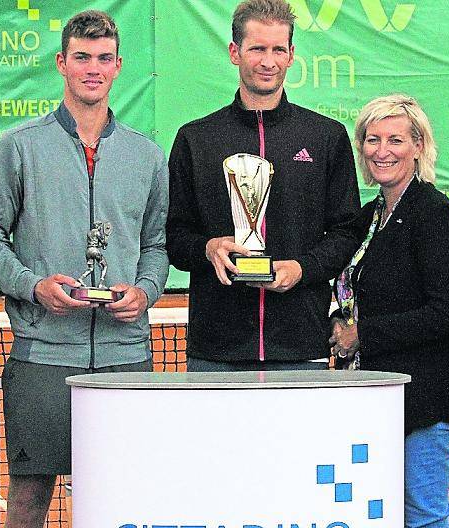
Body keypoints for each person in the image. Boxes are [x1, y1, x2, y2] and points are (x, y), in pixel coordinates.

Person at [0, 10, 169, 527]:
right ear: (62, 63)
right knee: (28, 498)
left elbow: (157, 246)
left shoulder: (148, 157)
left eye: (104, 58)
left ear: (118, 66)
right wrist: (32, 286)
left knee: (123, 498)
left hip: (124, 354)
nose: (93, 68)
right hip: (42, 356)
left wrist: (148, 290)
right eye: (82, 57)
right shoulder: (18, 148)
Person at [166, 0, 360, 372]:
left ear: (291, 55)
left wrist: (301, 269)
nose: (267, 61)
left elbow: (346, 232)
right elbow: (174, 237)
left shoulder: (326, 137)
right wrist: (208, 248)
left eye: (277, 50)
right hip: (215, 352)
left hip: (301, 348)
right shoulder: (196, 139)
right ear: (235, 52)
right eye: (257, 49)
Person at [329, 94, 449, 528]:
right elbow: (348, 283)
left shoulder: (435, 213)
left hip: (424, 398)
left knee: (423, 517)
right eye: (372, 139)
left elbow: (447, 313)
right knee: (378, 514)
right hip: (375, 396)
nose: (382, 150)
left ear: (418, 147)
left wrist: (362, 334)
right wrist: (338, 316)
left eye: (395, 139)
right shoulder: (370, 215)